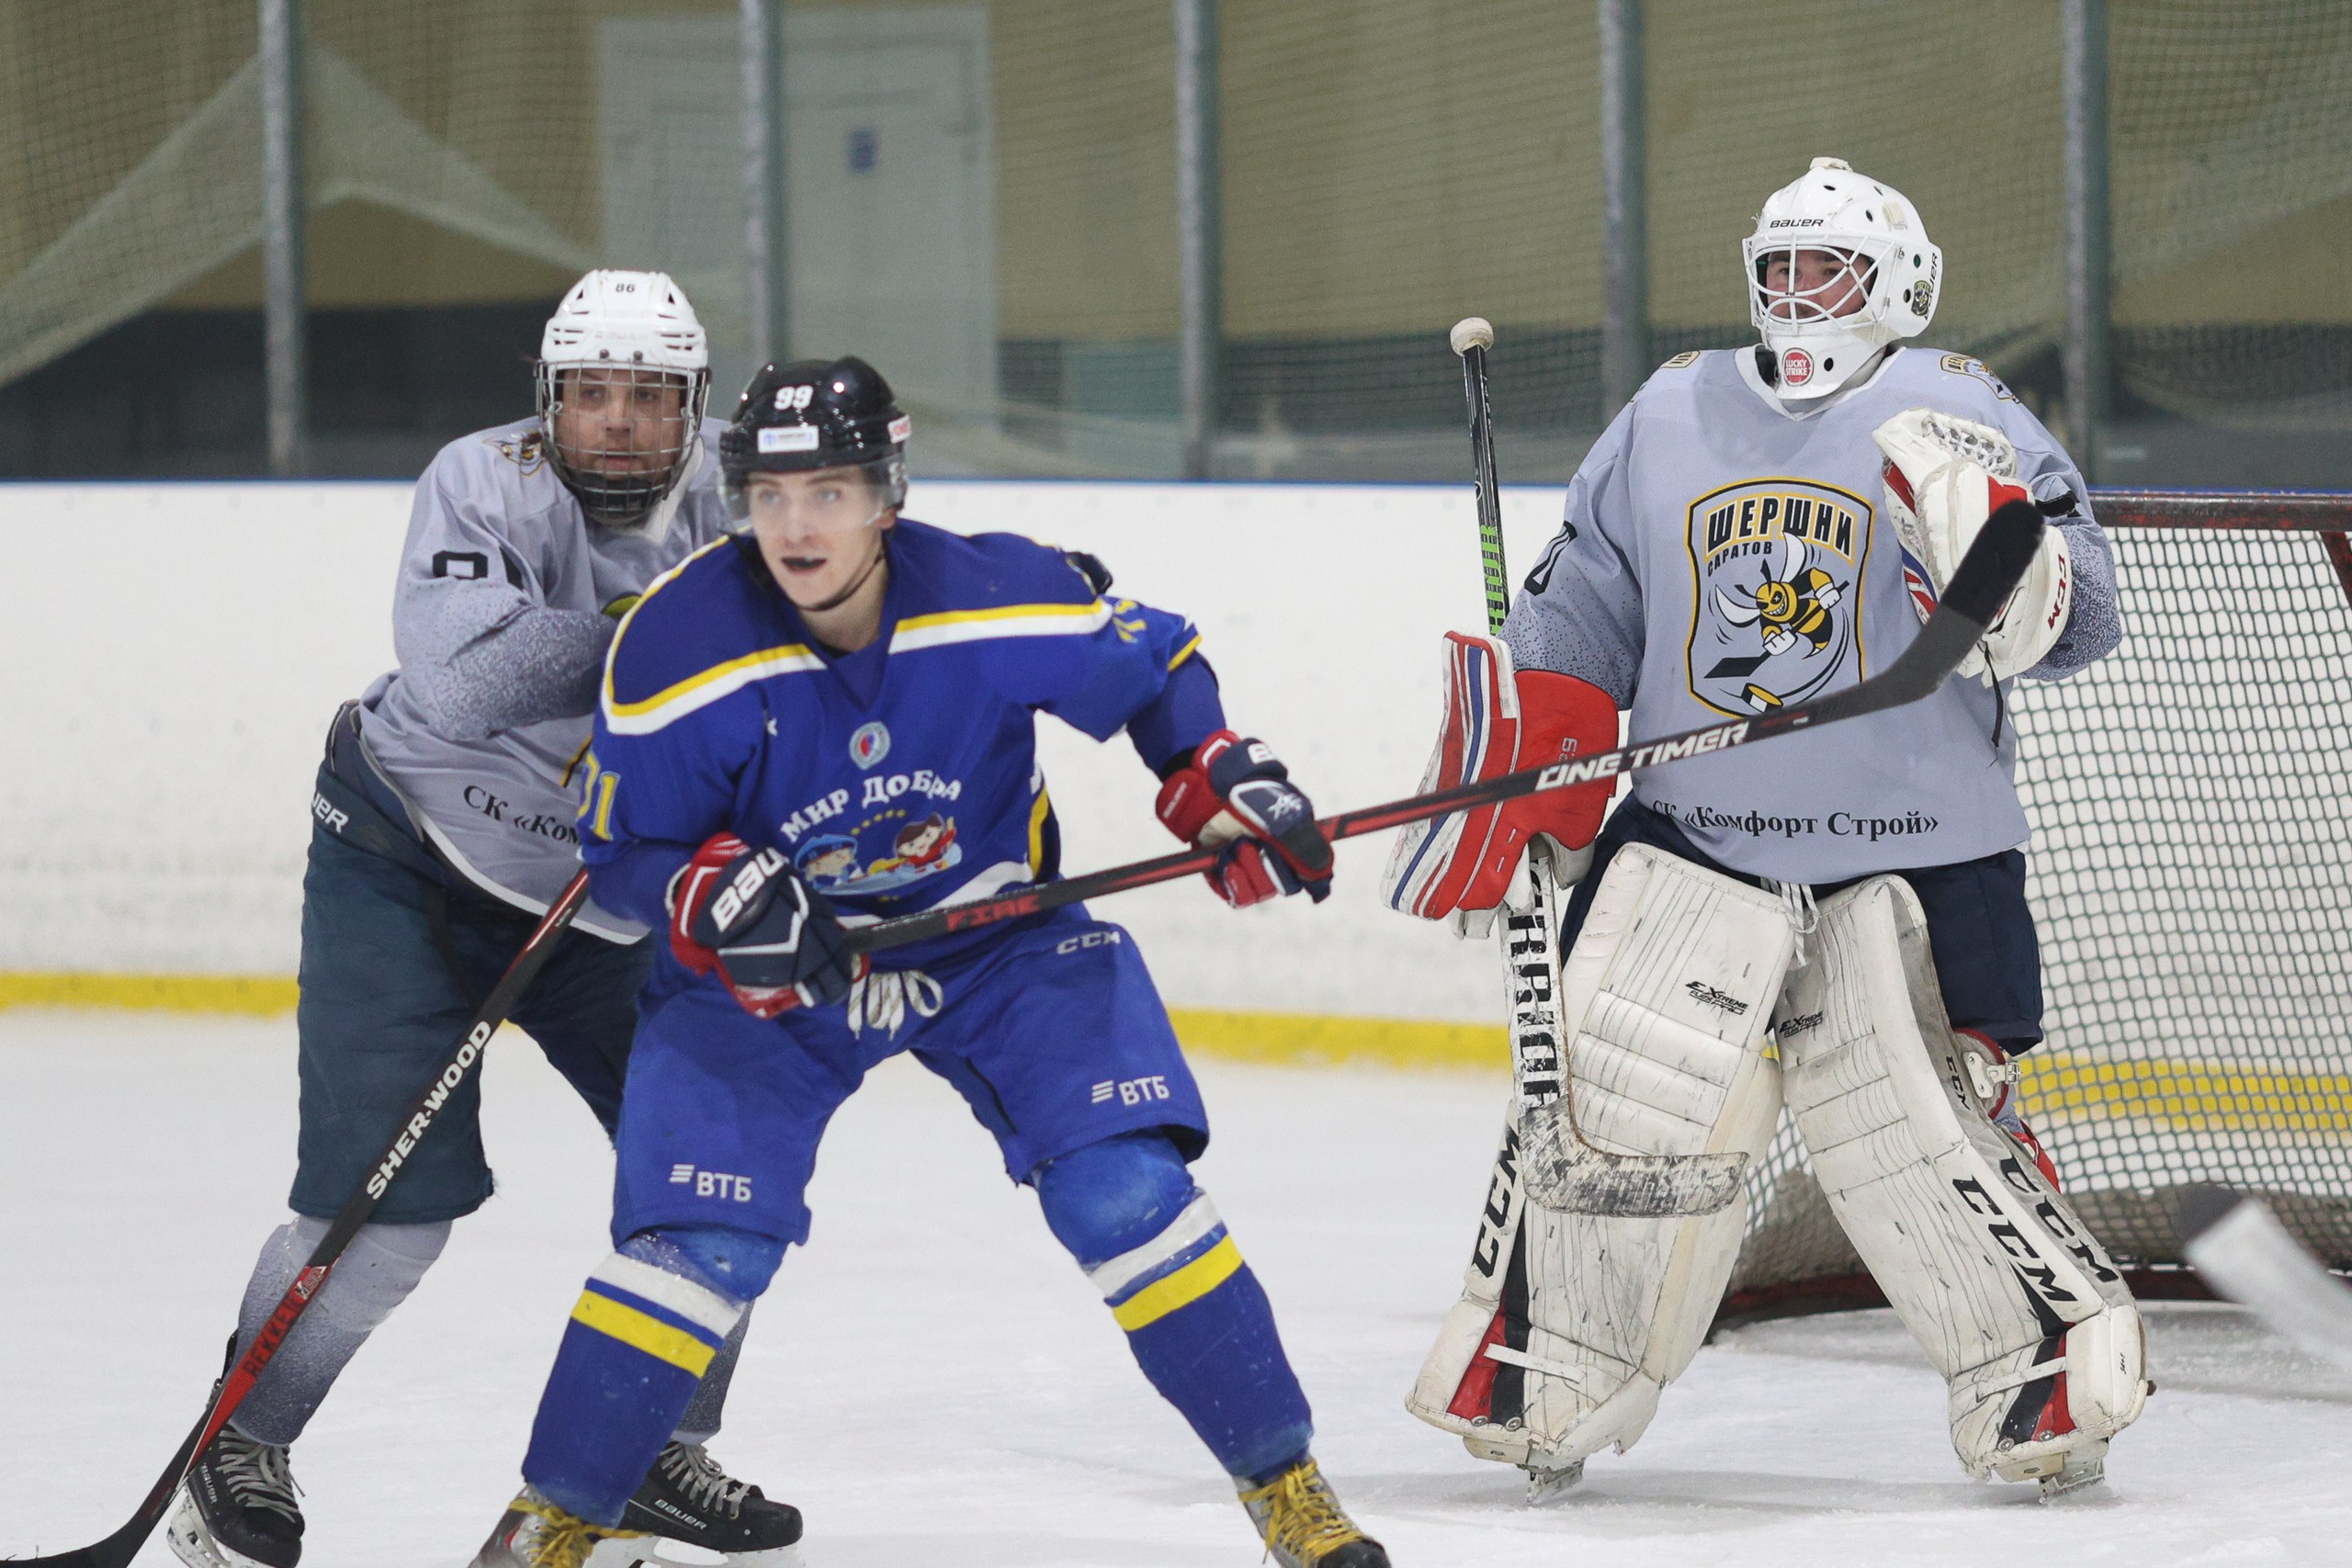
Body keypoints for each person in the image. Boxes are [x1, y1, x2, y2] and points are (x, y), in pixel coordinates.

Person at [464, 356, 1391, 1568]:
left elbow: (1157, 668)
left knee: (1128, 1194)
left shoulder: (999, 593)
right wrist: (700, 891)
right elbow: (626, 850)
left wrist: (1215, 776)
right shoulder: (676, 650)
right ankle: (557, 1521)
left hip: (994, 943)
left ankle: (1290, 1492)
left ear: (886, 496)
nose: (797, 526)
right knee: (697, 1250)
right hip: (774, 975)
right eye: (773, 493)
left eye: (831, 492)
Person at [1385, 158, 2150, 1498]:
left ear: (1898, 285)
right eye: (1779, 267)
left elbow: (2081, 622)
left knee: (1922, 1130)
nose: (1797, 294)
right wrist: (1539, 749)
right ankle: (1551, 1365)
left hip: (1917, 851)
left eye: (1828, 269)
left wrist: (2010, 560)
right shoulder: (1672, 410)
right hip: (1698, 839)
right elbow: (1590, 605)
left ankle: (2046, 1379)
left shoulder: (1961, 407)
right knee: (1615, 1110)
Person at [171, 272, 800, 1568]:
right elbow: (463, 683)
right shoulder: (481, 479)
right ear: (546, 399)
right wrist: (666, 631)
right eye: (589, 393)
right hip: (407, 856)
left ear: (694, 406)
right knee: (391, 1216)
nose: (615, 422)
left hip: (614, 903)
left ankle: (654, 1455)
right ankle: (244, 1438)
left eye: (646, 396)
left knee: (716, 1182)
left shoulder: (752, 514)